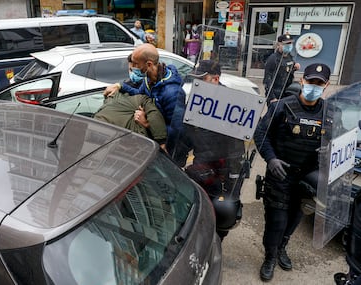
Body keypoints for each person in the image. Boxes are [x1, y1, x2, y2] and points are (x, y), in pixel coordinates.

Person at [254, 63, 331, 282]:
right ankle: (270, 256)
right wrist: (271, 159)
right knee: (276, 220)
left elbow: (336, 142)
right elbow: (261, 135)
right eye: (310, 81)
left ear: (326, 85)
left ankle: (281, 248)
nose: (314, 86)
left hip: (307, 176)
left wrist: (328, 150)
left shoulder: (329, 113)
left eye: (319, 83)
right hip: (280, 174)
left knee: (295, 216)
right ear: (303, 81)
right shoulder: (281, 107)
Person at [182, 60, 246, 239]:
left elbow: (238, 142)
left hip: (225, 167)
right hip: (201, 163)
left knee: (223, 211)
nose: (198, 82)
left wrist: (234, 175)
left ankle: (217, 241)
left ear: (215, 79)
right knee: (200, 206)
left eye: (202, 78)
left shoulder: (234, 102)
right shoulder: (196, 98)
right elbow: (188, 131)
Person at [103, 43, 186, 162]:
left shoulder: (172, 93)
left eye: (136, 64)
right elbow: (139, 93)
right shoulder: (148, 79)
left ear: (149, 64)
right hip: (152, 143)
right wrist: (119, 86)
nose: (133, 67)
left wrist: (148, 123)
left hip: (169, 153)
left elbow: (177, 130)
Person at [94, 91, 167, 150]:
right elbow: (154, 115)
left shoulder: (99, 115)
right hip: (138, 147)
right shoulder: (139, 99)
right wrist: (161, 142)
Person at [263, 34, 301, 105]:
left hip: (286, 92)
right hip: (276, 93)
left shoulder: (289, 56)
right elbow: (267, 79)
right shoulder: (273, 59)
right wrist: (272, 97)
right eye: (286, 44)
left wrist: (295, 67)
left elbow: (287, 70)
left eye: (290, 43)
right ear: (279, 44)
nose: (289, 45)